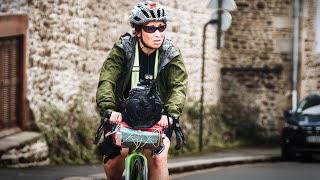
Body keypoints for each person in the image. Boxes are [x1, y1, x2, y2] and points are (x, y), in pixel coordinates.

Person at [96, 1, 188, 180]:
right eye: (150, 29)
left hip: (158, 116)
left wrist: (170, 114)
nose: (158, 34)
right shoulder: (123, 49)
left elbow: (179, 86)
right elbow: (108, 80)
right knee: (116, 156)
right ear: (137, 31)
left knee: (158, 158)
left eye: (161, 27)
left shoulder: (170, 53)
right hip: (122, 113)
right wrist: (109, 108)